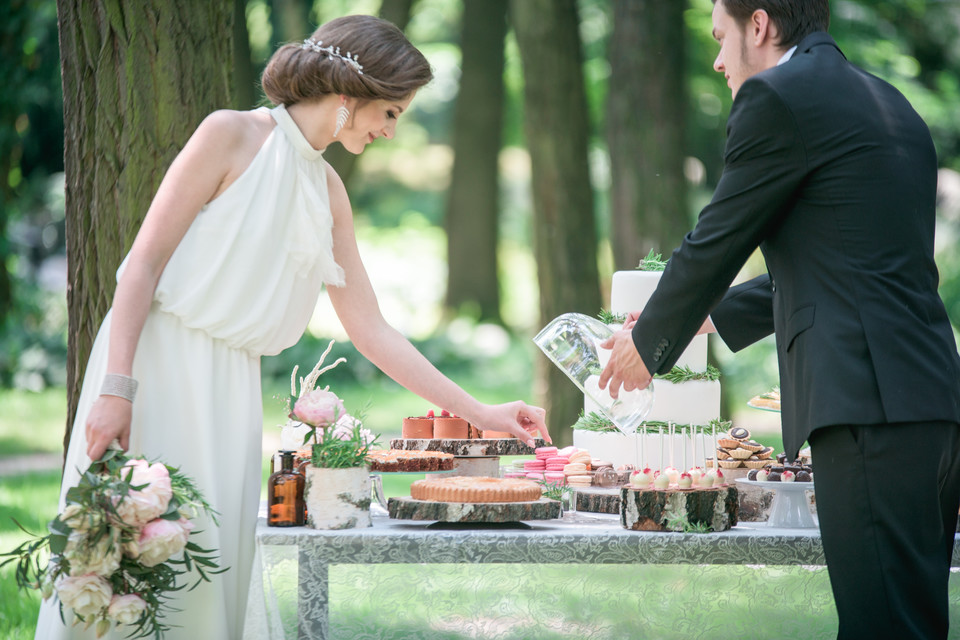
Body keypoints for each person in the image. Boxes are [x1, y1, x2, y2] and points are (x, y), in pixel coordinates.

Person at [36, 15, 549, 640]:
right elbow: (140, 266)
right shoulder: (228, 134)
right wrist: (118, 388)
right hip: (154, 364)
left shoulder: (329, 190)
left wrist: (484, 412)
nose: (390, 132)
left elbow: (373, 332)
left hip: (231, 386)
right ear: (347, 98)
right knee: (123, 563)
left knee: (208, 566)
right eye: (389, 114)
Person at [598, 1, 960, 638]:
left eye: (721, 38)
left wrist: (647, 343)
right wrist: (715, 315)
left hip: (866, 406)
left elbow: (715, 240)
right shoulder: (887, 101)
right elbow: (851, 265)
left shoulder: (777, 96)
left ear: (758, 26)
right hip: (930, 404)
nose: (717, 60)